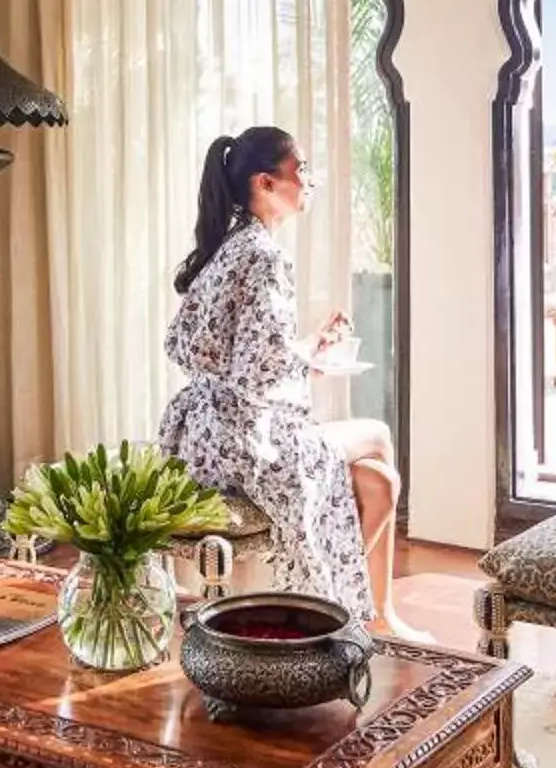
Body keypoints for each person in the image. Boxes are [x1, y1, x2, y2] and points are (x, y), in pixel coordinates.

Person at [158, 126, 411, 636]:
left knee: (378, 483)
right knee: (379, 438)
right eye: (301, 171)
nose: (309, 181)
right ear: (266, 183)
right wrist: (309, 364)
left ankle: (371, 614)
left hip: (200, 435)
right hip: (247, 442)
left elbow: (195, 349)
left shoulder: (228, 248)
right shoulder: (266, 255)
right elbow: (260, 372)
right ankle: (342, 610)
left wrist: (310, 349)